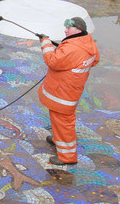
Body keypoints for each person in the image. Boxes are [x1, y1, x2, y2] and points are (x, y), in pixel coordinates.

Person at [37, 17, 100, 165]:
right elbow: (95, 61)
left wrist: (45, 42)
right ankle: (58, 140)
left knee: (64, 123)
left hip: (62, 94)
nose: (65, 30)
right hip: (71, 91)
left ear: (78, 30)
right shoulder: (88, 43)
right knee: (59, 121)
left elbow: (53, 61)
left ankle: (67, 157)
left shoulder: (73, 48)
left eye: (68, 28)